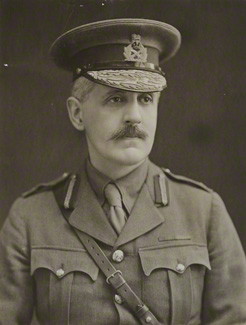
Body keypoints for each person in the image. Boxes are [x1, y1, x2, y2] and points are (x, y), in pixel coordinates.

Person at [0, 18, 245, 325]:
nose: (134, 116)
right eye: (116, 99)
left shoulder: (204, 211)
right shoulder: (29, 218)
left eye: (145, 100)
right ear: (77, 113)